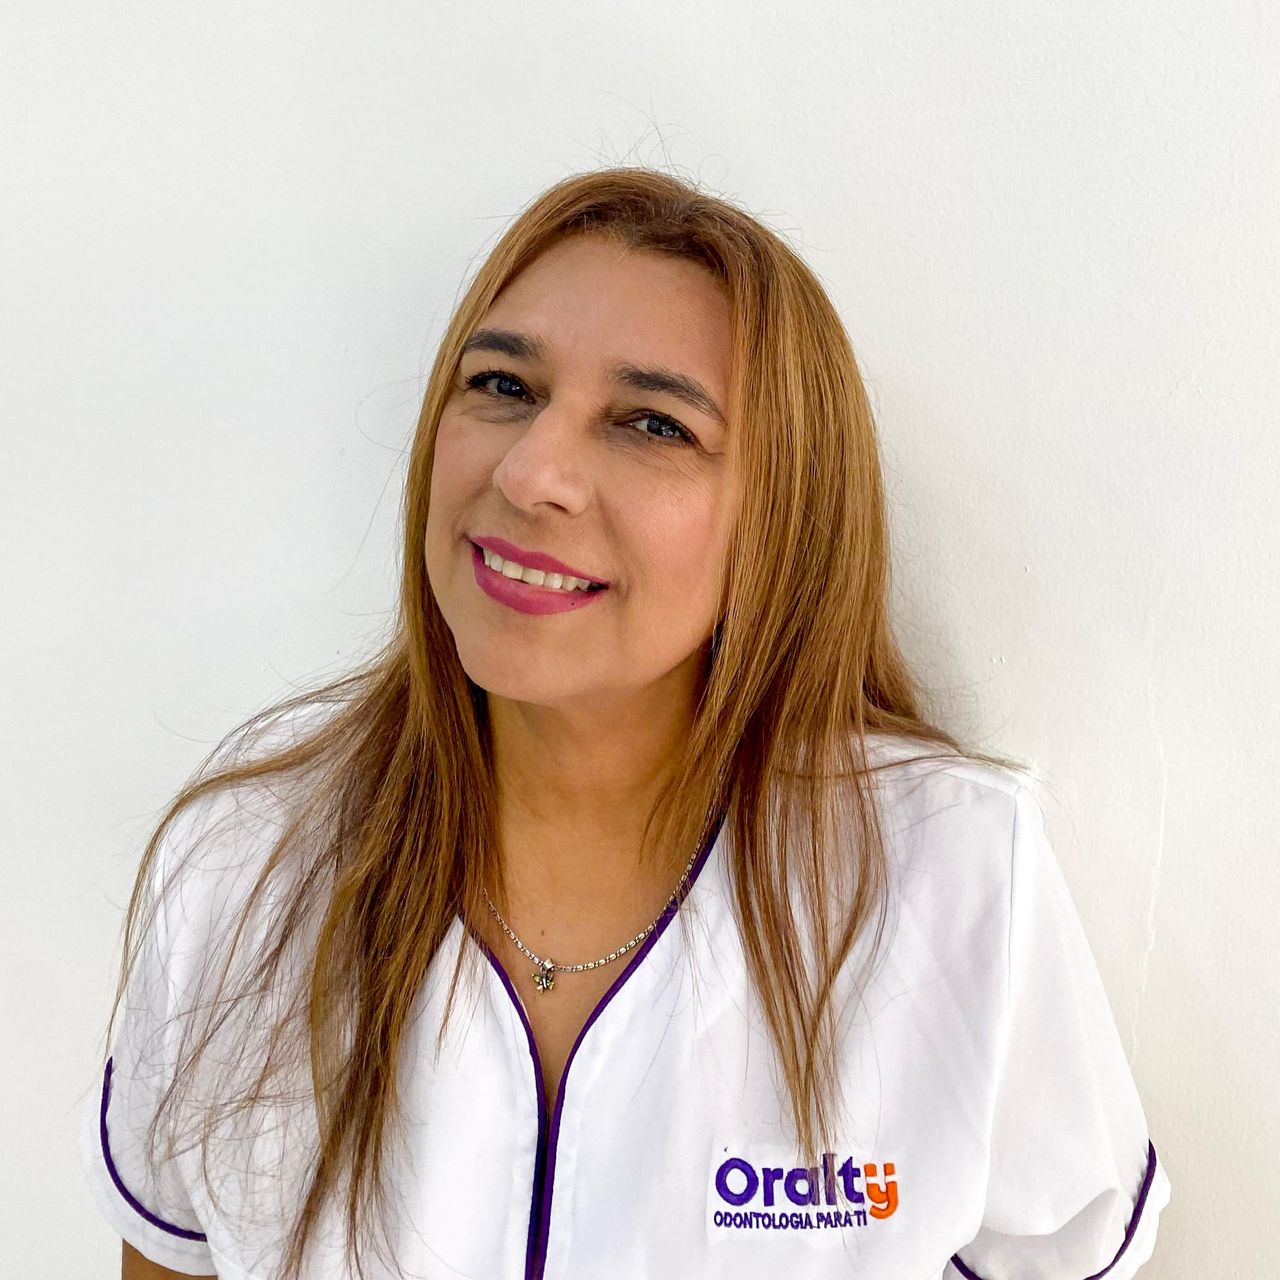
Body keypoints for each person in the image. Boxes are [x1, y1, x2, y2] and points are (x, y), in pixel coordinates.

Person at [80, 167, 1170, 1280]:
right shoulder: (247, 858)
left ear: (781, 519)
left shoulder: (952, 873)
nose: (531, 472)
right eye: (502, 385)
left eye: (653, 423)